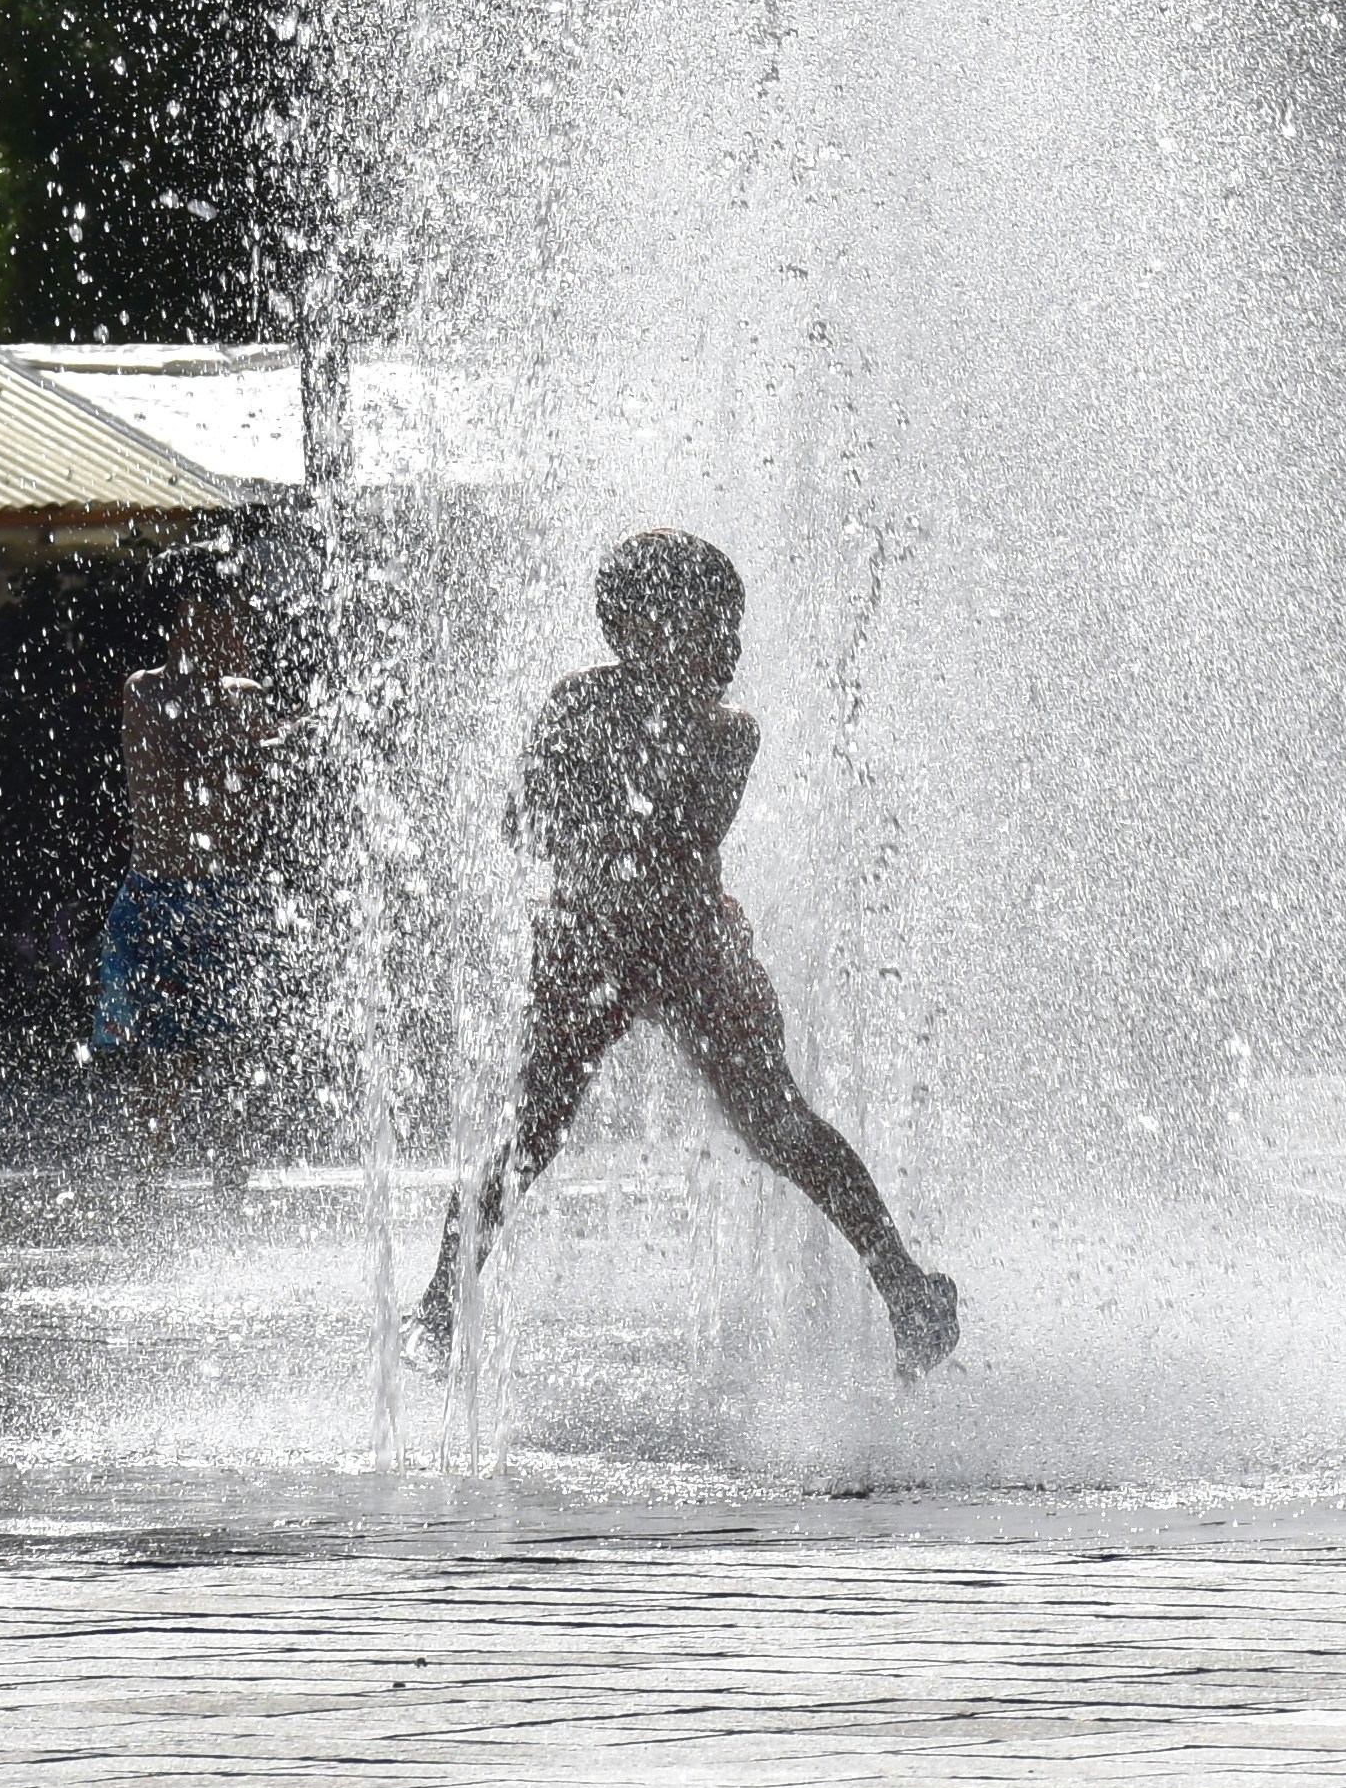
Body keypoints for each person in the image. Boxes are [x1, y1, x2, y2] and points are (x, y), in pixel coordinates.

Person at [407, 529, 962, 1377]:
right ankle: (439, 1308)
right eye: (715, 623)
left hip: (644, 943)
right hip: (630, 942)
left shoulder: (681, 725)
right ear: (640, 624)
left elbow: (606, 831)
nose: (732, 646)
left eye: (733, 626)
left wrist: (592, 826)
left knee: (758, 1125)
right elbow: (557, 825)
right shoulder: (642, 719)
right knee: (560, 1131)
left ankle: (905, 1288)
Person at [96, 568, 290, 1160]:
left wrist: (285, 751)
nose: (244, 630)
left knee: (234, 1053)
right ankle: (147, 1178)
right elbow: (172, 780)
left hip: (227, 894)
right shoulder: (145, 690)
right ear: (187, 620)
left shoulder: (248, 694)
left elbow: (253, 793)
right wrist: (261, 748)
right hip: (162, 893)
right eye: (229, 616)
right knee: (164, 1055)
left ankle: (232, 1177)